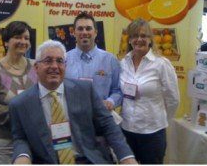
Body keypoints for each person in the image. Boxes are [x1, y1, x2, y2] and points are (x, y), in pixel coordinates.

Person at [9, 40, 137, 164]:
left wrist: (126, 156)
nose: (54, 66)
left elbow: (108, 125)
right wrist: (22, 156)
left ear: (65, 66)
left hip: (87, 159)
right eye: (48, 61)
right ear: (36, 67)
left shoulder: (85, 90)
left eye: (59, 61)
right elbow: (20, 138)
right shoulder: (20, 104)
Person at [120, 18, 180, 164]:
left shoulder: (161, 64)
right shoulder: (123, 63)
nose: (139, 39)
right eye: (134, 36)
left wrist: (160, 119)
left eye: (143, 36)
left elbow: (173, 99)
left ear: (150, 40)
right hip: (126, 129)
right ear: (129, 39)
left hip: (152, 133)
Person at [0, 21, 37, 164]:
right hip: (2, 144)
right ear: (6, 42)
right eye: (18, 37)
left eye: (26, 38)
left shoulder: (35, 67)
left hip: (31, 142)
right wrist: (22, 115)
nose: (23, 41)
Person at [65, 12, 122, 111]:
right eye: (80, 29)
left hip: (101, 118)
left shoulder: (110, 60)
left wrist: (111, 102)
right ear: (73, 33)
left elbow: (118, 90)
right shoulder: (64, 59)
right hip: (73, 119)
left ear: (95, 32)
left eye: (88, 28)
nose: (84, 32)